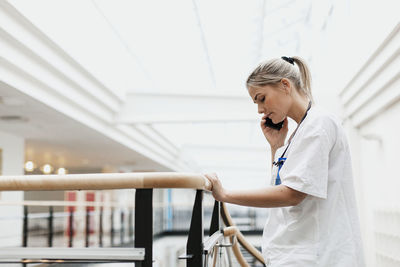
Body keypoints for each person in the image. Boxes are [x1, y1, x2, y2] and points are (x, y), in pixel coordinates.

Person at [204, 56, 365, 266]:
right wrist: (276, 146)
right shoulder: (299, 132)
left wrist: (225, 194)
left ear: (285, 85)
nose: (260, 110)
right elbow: (282, 188)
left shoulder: (319, 124)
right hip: (298, 253)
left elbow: (293, 194)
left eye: (261, 98)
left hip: (317, 256)